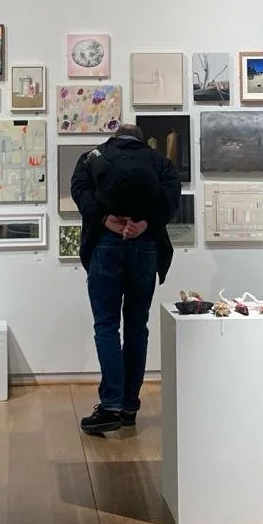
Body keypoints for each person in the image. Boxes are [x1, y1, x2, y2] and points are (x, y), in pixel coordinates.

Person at [70, 122, 181, 436]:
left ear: (115, 137)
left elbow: (79, 192)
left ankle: (111, 406)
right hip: (145, 247)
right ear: (141, 140)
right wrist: (144, 224)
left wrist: (106, 219)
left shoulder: (93, 157)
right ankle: (129, 406)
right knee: (136, 326)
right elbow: (170, 201)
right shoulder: (160, 162)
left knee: (106, 325)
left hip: (106, 245)